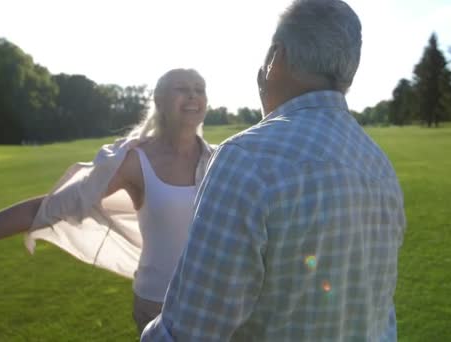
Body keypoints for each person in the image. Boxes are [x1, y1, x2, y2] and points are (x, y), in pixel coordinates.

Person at [141, 1, 407, 341]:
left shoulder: (247, 158)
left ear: (275, 58)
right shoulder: (379, 167)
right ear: (348, 73)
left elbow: (188, 332)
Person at [0, 68, 215, 335]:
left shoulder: (221, 160)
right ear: (159, 101)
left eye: (199, 89)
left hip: (217, 301)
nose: (193, 95)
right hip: (158, 305)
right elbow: (43, 210)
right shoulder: (132, 162)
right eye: (182, 88)